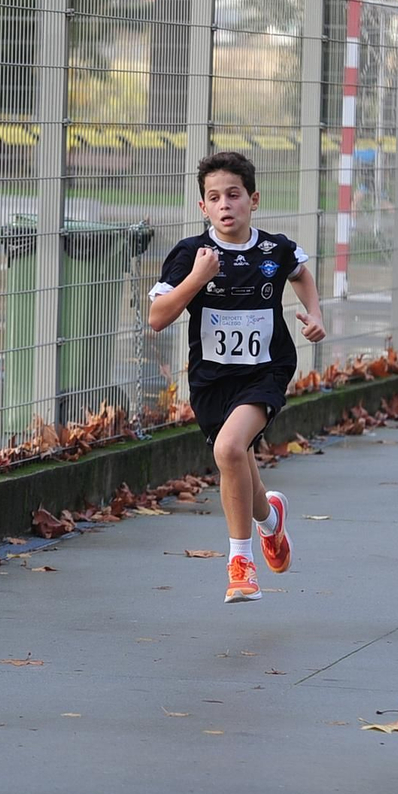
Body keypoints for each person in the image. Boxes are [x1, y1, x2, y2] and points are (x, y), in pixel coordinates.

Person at [148, 151, 327, 603]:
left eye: (234, 194)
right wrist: (197, 278)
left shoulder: (273, 249)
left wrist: (315, 314)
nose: (225, 204)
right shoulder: (191, 255)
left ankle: (240, 563)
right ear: (202, 208)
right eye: (214, 197)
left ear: (253, 199)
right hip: (212, 380)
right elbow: (157, 318)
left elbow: (301, 274)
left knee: (229, 449)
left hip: (265, 370)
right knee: (239, 466)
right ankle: (271, 520)